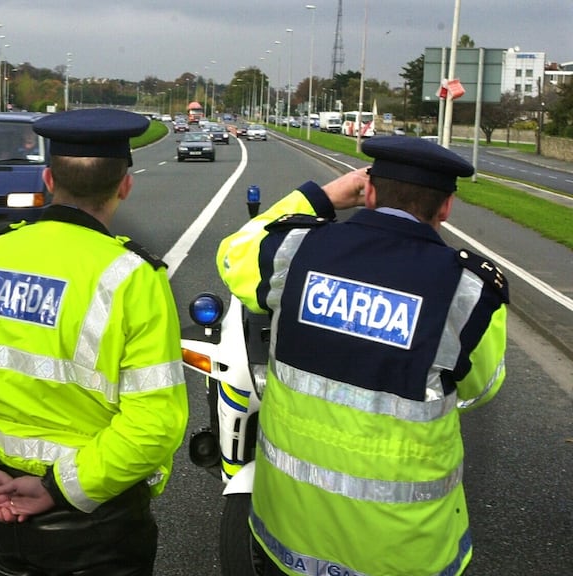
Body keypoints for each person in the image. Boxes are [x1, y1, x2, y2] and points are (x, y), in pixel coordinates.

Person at [216, 136, 509, 576]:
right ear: (446, 207)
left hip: (291, 535)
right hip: (405, 551)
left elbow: (233, 254)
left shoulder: (294, 249)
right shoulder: (468, 290)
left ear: (368, 192)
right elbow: (481, 388)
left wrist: (323, 196)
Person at [0, 108, 189, 576]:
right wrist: (58, 488)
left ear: (48, 178)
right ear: (124, 185)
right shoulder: (133, 277)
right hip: (97, 522)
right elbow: (155, 424)